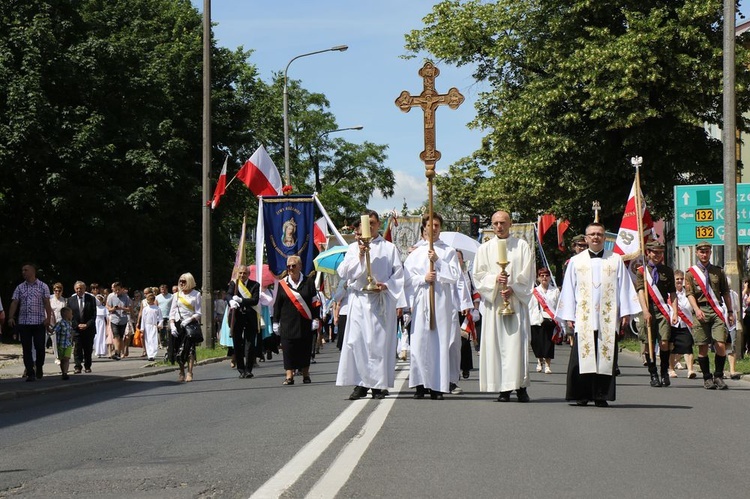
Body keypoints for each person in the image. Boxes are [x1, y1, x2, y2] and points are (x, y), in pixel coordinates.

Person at [556, 223, 640, 407]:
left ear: (605, 238)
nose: (596, 237)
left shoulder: (615, 259)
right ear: (586, 239)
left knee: (605, 356)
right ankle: (581, 395)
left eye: (599, 234)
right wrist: (569, 315)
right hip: (583, 316)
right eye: (592, 234)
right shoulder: (576, 261)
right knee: (582, 356)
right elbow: (569, 289)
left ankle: (602, 395)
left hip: (608, 318)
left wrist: (625, 312)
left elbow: (624, 287)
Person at [336, 210, 405, 400]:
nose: (371, 226)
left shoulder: (389, 248)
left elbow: (398, 275)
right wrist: (359, 256)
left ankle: (377, 385)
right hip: (359, 300)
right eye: (367, 223)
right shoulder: (353, 248)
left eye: (374, 223)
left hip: (379, 300)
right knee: (358, 342)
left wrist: (387, 285)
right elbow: (343, 272)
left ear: (378, 224)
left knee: (378, 344)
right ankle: (361, 383)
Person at [472, 210, 535, 402]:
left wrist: (513, 289)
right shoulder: (484, 249)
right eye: (495, 223)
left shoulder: (522, 246)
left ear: (510, 224)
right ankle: (503, 389)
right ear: (492, 225)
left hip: (515, 303)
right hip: (495, 303)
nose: (499, 226)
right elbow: (478, 276)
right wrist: (495, 280)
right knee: (497, 346)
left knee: (517, 345)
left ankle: (520, 386)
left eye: (503, 223)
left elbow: (528, 275)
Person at [404, 213, 461, 400]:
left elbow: (454, 276)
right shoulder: (416, 253)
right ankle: (420, 384)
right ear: (424, 228)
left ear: (440, 228)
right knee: (420, 342)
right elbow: (406, 279)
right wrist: (423, 278)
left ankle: (438, 385)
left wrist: (438, 260)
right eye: (430, 225)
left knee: (439, 342)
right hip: (422, 302)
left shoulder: (448, 252)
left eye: (436, 225)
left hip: (441, 300)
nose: (433, 228)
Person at [684, 242, 734, 390]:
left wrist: (730, 312)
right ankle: (707, 377)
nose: (704, 254)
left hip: (716, 310)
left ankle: (718, 375)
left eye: (707, 251)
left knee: (720, 344)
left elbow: (725, 292)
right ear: (697, 253)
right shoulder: (690, 273)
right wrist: (696, 309)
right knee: (703, 347)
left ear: (710, 253)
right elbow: (689, 294)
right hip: (700, 310)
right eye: (701, 252)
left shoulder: (718, 271)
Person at [635, 240, 678, 388]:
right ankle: (653, 373)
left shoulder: (667, 271)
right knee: (649, 343)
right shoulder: (641, 271)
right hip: (647, 308)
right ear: (648, 253)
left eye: (660, 252)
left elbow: (672, 293)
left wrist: (675, 312)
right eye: (655, 252)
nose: (657, 255)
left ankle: (664, 371)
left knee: (665, 341)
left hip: (662, 310)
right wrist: (646, 311)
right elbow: (640, 291)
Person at [273, 255, 320, 385]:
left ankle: (306, 374)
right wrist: (275, 321)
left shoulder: (308, 281)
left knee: (305, 349)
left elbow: (315, 302)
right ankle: (289, 376)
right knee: (288, 349)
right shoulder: (283, 284)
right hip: (288, 322)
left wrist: (316, 318)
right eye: (289, 266)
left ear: (300, 266)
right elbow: (278, 304)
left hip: (305, 321)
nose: (291, 268)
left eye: (294, 265)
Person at [7, 263, 54, 381]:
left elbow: (47, 303)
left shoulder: (43, 286)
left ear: (33, 272)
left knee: (40, 347)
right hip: (24, 322)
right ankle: (30, 372)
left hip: (39, 322)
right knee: (26, 348)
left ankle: (39, 366)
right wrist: (11, 317)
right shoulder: (20, 287)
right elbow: (14, 302)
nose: (23, 272)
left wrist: (48, 318)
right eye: (22, 270)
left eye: (25, 270)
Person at [226, 266, 260, 379]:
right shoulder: (234, 284)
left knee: (249, 344)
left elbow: (255, 300)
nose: (242, 275)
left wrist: (241, 300)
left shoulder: (255, 285)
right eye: (240, 273)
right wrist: (231, 301)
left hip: (250, 317)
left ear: (248, 274)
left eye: (244, 273)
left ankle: (248, 369)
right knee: (237, 343)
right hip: (237, 317)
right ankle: (241, 369)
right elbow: (228, 295)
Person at [169, 272, 202, 382]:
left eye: (184, 281)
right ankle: (181, 371)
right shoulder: (176, 295)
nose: (182, 283)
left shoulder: (196, 294)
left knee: (190, 349)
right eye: (180, 281)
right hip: (178, 325)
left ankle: (190, 372)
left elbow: (198, 312)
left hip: (190, 325)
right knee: (178, 349)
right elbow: (172, 312)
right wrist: (172, 325)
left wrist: (190, 319)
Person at [529, 267, 560, 374]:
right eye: (542, 276)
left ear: (550, 277)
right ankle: (539, 360)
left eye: (546, 275)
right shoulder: (534, 291)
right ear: (538, 278)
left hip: (550, 320)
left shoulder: (555, 291)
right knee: (537, 343)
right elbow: (530, 306)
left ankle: (547, 365)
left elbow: (558, 306)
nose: (544, 278)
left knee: (548, 343)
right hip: (536, 320)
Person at [669, 270, 696, 379]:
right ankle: (671, 369)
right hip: (673, 323)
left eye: (681, 279)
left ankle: (690, 370)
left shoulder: (687, 293)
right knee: (672, 347)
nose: (679, 281)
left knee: (688, 346)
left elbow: (690, 306)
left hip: (686, 324)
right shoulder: (669, 294)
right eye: (677, 279)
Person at [67, 281, 97, 373]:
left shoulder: (91, 299)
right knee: (77, 348)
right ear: (74, 289)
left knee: (88, 349)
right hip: (76, 329)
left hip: (88, 329)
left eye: (81, 288)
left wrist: (87, 325)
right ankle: (77, 366)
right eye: (77, 288)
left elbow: (94, 315)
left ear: (84, 289)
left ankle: (87, 366)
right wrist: (77, 324)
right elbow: (69, 315)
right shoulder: (70, 300)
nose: (79, 290)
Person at [106, 282, 132, 360]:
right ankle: (116, 352)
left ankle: (119, 352)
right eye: (115, 290)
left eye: (118, 290)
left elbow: (129, 309)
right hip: (114, 319)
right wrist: (113, 309)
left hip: (123, 319)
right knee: (116, 335)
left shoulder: (126, 297)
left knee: (121, 337)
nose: (117, 291)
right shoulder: (111, 296)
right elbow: (108, 307)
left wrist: (122, 308)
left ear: (122, 289)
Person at [52, 306, 74, 380]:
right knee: (62, 359)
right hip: (61, 344)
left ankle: (65, 372)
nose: (72, 315)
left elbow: (71, 332)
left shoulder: (70, 323)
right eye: (70, 314)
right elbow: (54, 331)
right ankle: (63, 372)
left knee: (67, 358)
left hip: (68, 344)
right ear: (66, 314)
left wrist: (72, 336)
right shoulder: (60, 323)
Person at [140, 293, 162, 361]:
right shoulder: (145, 309)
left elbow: (161, 318)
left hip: (154, 325)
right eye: (147, 300)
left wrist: (159, 324)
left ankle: (153, 354)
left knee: (154, 340)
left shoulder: (157, 308)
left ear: (153, 300)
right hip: (147, 326)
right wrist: (142, 328)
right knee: (148, 340)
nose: (148, 301)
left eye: (149, 300)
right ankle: (150, 355)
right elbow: (143, 319)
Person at [49, 282, 67, 363]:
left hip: (61, 322)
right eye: (55, 290)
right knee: (53, 340)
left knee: (59, 341)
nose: (57, 292)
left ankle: (60, 356)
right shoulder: (50, 300)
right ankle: (56, 357)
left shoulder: (64, 300)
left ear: (62, 291)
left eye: (59, 291)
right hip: (51, 322)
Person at [156, 284, 173, 349]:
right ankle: (162, 343)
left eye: (164, 289)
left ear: (167, 289)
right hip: (161, 316)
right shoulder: (158, 297)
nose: (163, 291)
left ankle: (169, 343)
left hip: (169, 316)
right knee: (161, 331)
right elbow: (156, 306)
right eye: (161, 289)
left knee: (169, 330)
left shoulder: (171, 296)